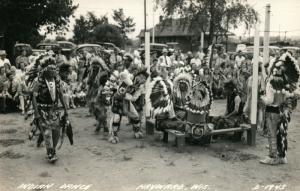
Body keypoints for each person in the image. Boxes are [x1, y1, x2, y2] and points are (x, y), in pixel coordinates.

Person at [260, 52, 299, 165]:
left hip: (272, 111)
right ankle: (282, 156)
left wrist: (262, 98)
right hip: (283, 112)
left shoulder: (271, 83)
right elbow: (291, 96)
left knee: (272, 134)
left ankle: (273, 156)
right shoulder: (286, 83)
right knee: (281, 134)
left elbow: (269, 100)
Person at [31, 56, 69, 163]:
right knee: (47, 133)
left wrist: (66, 109)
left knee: (56, 131)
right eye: (51, 69)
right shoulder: (38, 80)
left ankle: (52, 149)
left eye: (54, 69)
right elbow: (33, 96)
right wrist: (37, 113)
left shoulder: (57, 80)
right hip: (42, 110)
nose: (53, 71)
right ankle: (50, 153)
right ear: (45, 70)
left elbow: (61, 95)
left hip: (54, 110)